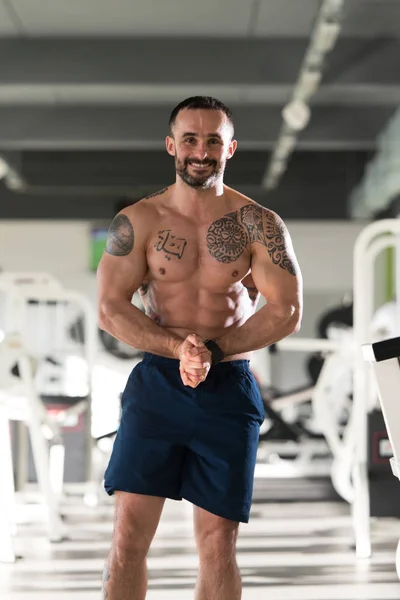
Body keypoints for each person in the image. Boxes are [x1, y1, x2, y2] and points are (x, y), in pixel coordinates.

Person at [97, 96, 303, 600]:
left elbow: (286, 311)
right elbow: (109, 307)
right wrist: (177, 347)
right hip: (157, 386)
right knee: (127, 538)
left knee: (217, 544)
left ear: (230, 147)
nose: (201, 150)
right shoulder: (139, 221)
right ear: (172, 145)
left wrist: (210, 348)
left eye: (213, 140)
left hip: (227, 388)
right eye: (190, 138)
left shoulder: (260, 224)